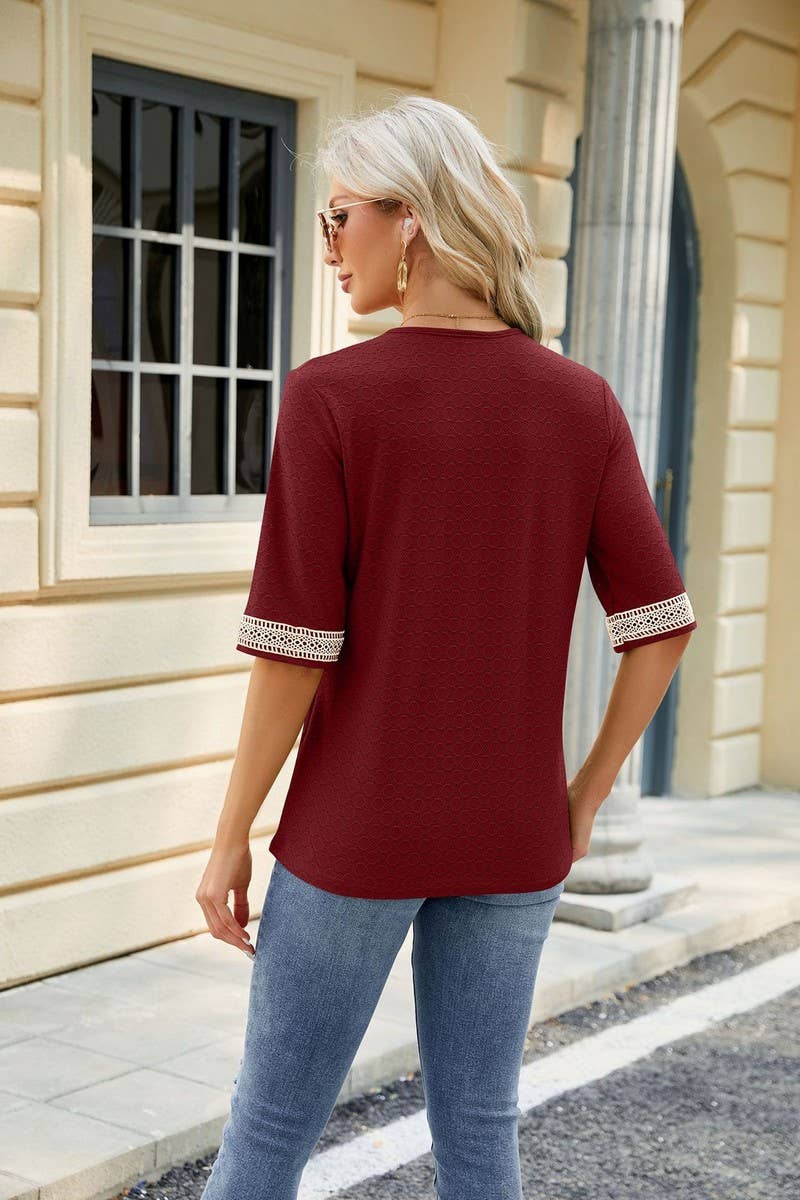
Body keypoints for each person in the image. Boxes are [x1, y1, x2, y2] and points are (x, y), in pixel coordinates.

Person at [196, 95, 697, 1200]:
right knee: (477, 1133)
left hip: (355, 833)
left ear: (410, 218)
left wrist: (231, 836)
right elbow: (658, 630)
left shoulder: (331, 398)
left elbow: (294, 649)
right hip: (511, 837)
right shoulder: (580, 404)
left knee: (269, 1131)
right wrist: (578, 800)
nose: (330, 244)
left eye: (338, 217)